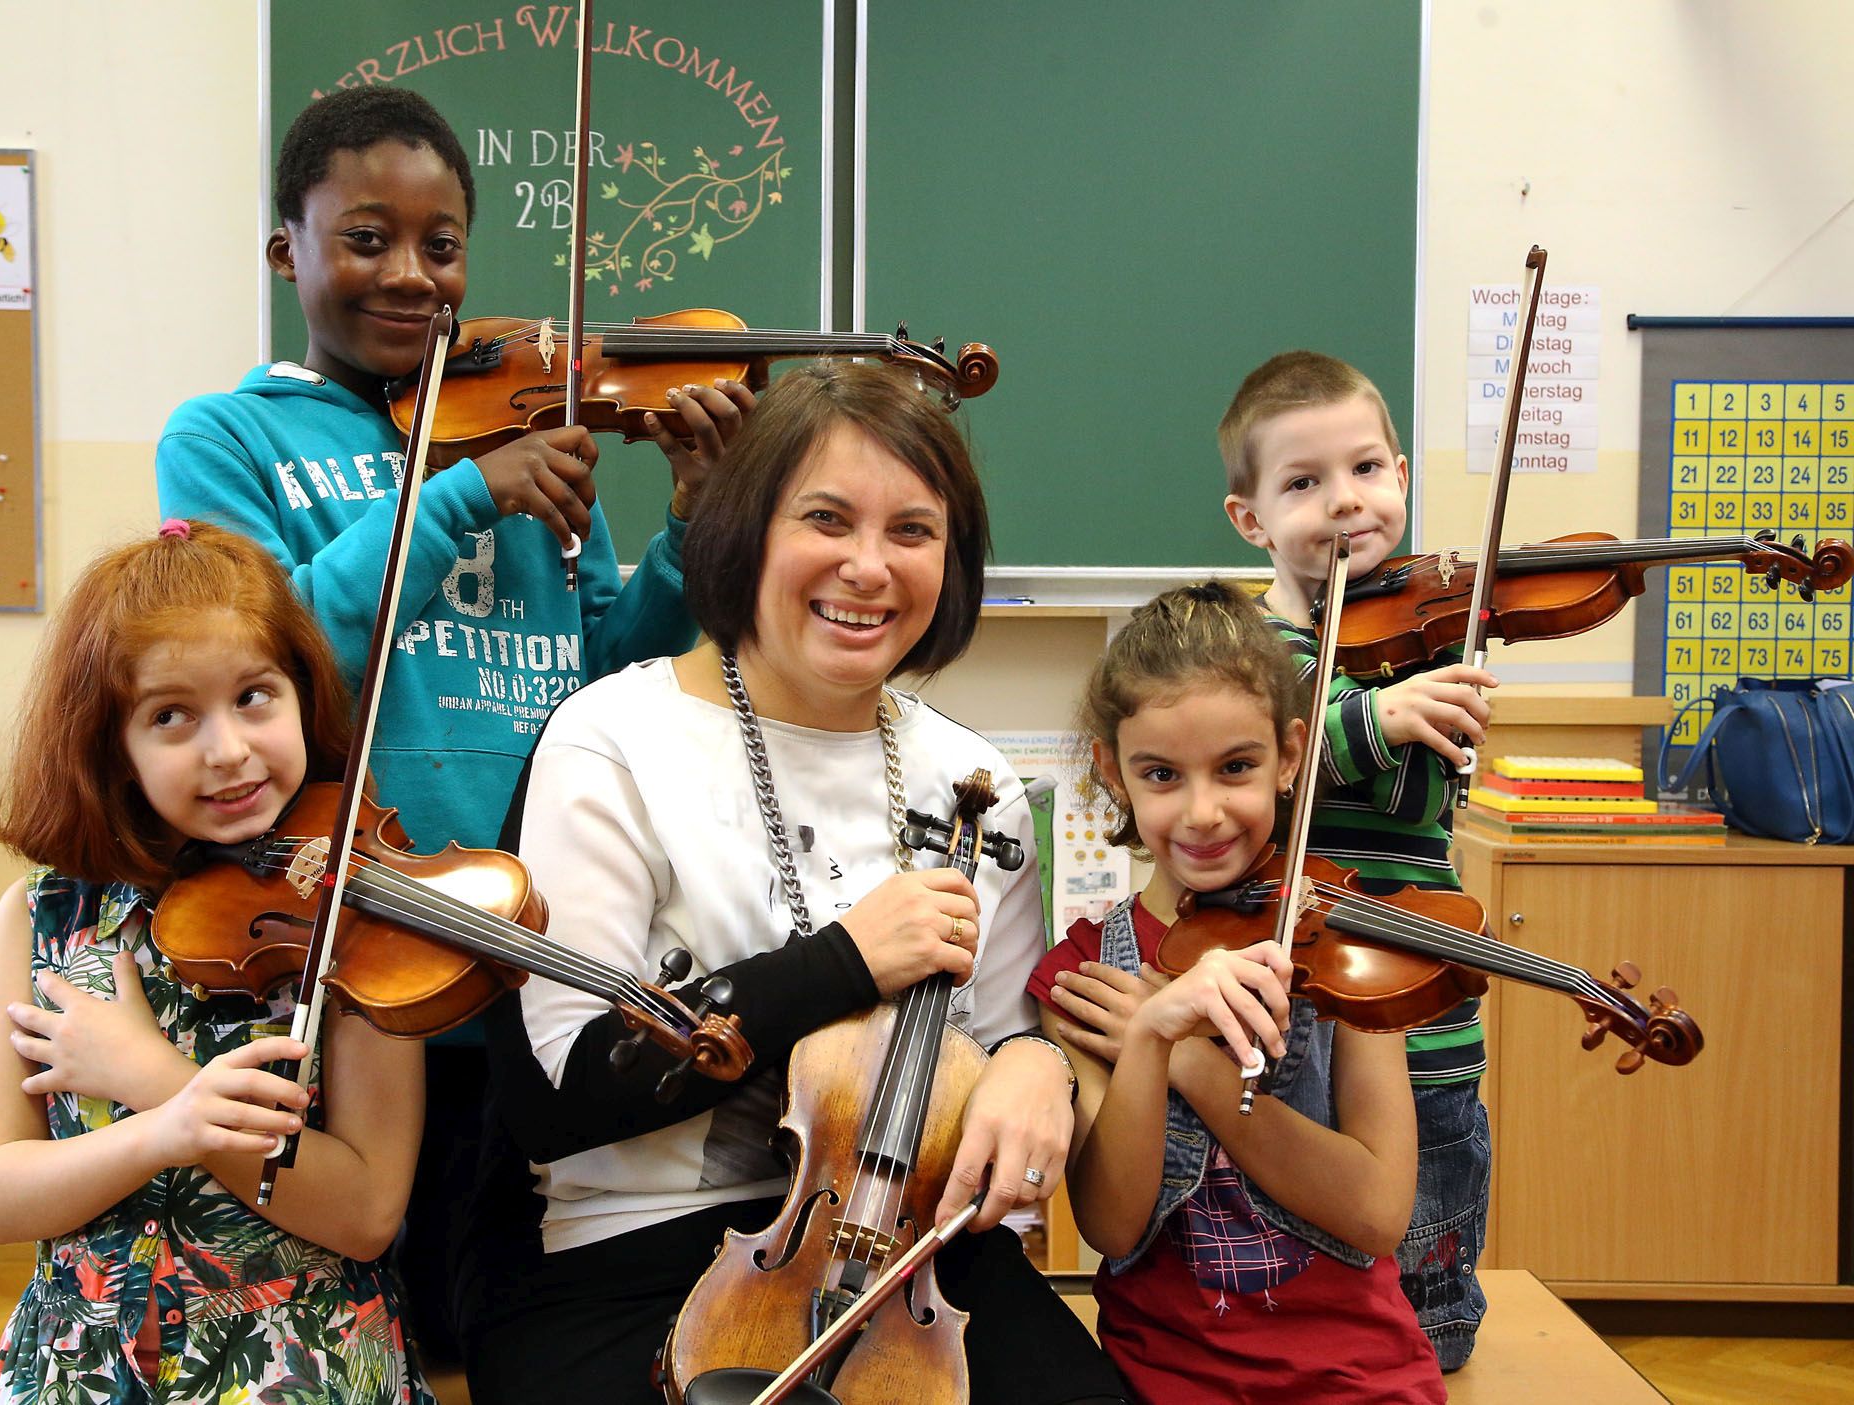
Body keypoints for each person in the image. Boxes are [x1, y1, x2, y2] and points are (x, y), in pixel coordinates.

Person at [154, 84, 755, 1350]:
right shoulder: (225, 439)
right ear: (288, 252)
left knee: (495, 1308)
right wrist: (456, 499)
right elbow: (272, 650)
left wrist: (686, 518)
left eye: (441, 245)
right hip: (352, 945)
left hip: (530, 933)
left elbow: (611, 675)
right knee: (365, 1301)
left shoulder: (526, 421)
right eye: (365, 237)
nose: (412, 277)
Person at [463, 361, 1130, 1404]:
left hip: (907, 1255)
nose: (868, 566)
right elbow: (561, 1096)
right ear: (744, 530)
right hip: (624, 1258)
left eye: (911, 532)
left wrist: (1037, 1065)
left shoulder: (976, 785)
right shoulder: (608, 739)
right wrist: (841, 962)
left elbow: (999, 1037)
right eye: (826, 519)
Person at [0, 521, 433, 1404]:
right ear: (114, 745)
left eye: (255, 696)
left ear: (303, 695)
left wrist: (155, 1076)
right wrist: (165, 1126)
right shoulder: (42, 917)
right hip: (80, 1366)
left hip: (302, 1363)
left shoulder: (353, 912)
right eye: (170, 715)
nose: (226, 749)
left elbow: (369, 1213)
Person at [1030, 584, 1445, 1404]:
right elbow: (1113, 1227)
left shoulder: (1354, 943)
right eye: (1161, 774)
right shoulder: (1083, 976)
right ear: (1113, 772)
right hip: (1164, 1381)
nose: (1204, 811)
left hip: (1360, 1381)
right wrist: (1145, 1036)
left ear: (1290, 756)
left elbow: (1376, 1211)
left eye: (1237, 767)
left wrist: (1193, 1063)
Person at [1214, 350, 1497, 1369]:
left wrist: (1410, 701)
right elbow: (1264, 766)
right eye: (1303, 482)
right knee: (1292, 1285)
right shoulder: (1242, 651)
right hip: (1293, 1029)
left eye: (1367, 469)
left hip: (1419, 1032)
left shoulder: (1434, 634)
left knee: (1424, 1318)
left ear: (1402, 477)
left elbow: (1422, 792)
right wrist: (1371, 715)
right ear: (1250, 518)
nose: (1344, 502)